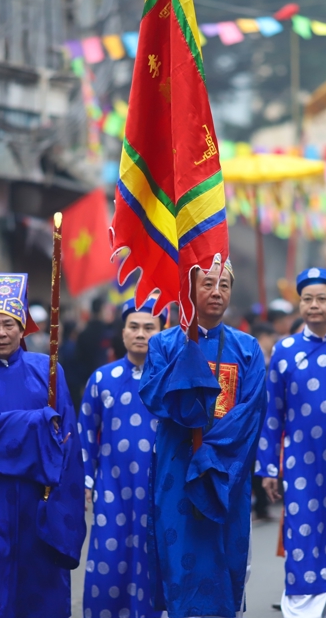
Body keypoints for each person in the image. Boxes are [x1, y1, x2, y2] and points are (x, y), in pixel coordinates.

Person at [0, 272, 85, 618]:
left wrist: (66, 498)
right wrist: (36, 421)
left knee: (41, 586)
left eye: (8, 324)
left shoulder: (48, 371)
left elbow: (67, 440)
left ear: (23, 327)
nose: (0, 333)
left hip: (39, 497)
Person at [139, 259, 267, 618]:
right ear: (189, 289)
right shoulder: (164, 344)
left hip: (226, 471)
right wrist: (187, 359)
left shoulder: (248, 348)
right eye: (208, 283)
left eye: (224, 285)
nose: (216, 292)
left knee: (225, 558)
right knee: (179, 560)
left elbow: (251, 410)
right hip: (177, 468)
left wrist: (209, 458)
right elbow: (154, 396)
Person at [256, 267, 326, 618]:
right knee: (302, 536)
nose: (314, 305)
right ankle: (301, 609)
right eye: (307, 299)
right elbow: (272, 414)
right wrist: (268, 466)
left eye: (322, 299)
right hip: (300, 465)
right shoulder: (285, 350)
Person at [80, 298, 165, 618]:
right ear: (123, 330)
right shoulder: (101, 378)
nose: (140, 334)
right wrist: (85, 481)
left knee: (151, 566)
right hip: (111, 488)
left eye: (149, 327)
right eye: (134, 326)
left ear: (162, 331)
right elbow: (84, 434)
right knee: (108, 563)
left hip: (159, 490)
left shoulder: (171, 380)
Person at [251, 321, 279, 522]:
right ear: (264, 337)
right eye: (271, 338)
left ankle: (261, 507)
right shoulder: (257, 355)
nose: (272, 342)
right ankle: (260, 506)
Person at [76, 296, 117, 394]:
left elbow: (79, 358)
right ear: (102, 309)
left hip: (87, 379)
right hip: (107, 377)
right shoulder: (108, 332)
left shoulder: (83, 333)